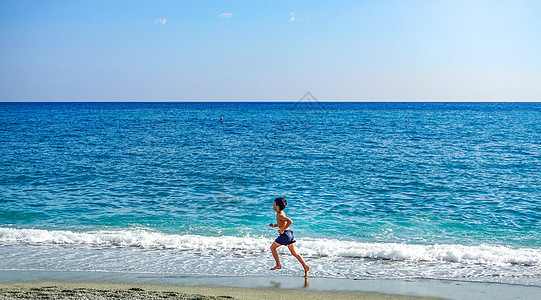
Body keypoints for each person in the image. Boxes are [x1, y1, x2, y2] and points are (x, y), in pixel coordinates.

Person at [269, 197, 310, 277]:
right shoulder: (280, 213)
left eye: (274, 204)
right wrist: (275, 226)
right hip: (289, 234)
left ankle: (278, 265)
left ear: (277, 206)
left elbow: (290, 221)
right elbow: (282, 223)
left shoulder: (280, 214)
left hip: (285, 235)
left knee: (272, 248)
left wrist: (282, 230)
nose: (273, 206)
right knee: (294, 253)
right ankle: (305, 266)